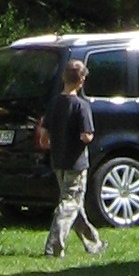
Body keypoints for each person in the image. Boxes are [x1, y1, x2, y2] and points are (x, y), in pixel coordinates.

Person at [39, 56, 106, 261]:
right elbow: (86, 135)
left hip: (58, 160)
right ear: (82, 81)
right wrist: (88, 136)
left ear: (63, 78)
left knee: (74, 204)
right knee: (69, 204)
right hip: (76, 163)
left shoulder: (54, 103)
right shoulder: (81, 106)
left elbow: (44, 134)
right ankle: (53, 247)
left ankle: (93, 242)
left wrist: (48, 141)